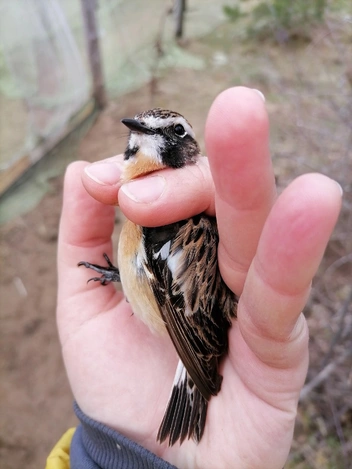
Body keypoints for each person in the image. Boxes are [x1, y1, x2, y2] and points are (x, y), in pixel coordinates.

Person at [48, 87, 342, 469]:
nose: (150, 136)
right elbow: (161, 288)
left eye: (172, 132)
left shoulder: (168, 226)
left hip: (192, 359)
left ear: (187, 150)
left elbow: (169, 295)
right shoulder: (152, 211)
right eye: (142, 130)